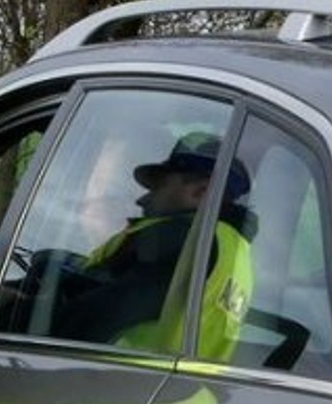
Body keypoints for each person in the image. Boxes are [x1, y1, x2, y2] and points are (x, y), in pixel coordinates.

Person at [55, 133, 256, 359]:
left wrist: (17, 309)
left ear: (202, 192)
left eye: (158, 186)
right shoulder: (234, 252)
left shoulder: (179, 240)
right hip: (187, 392)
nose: (141, 200)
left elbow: (88, 320)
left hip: (113, 385)